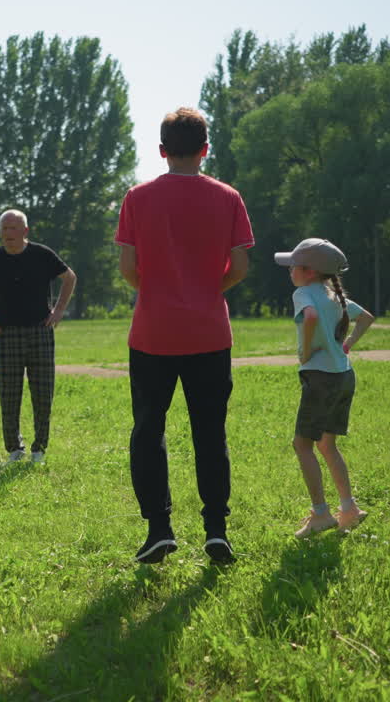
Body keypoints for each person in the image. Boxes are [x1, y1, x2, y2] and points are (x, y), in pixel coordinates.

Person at [115, 107, 254, 566]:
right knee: (210, 433)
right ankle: (216, 530)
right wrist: (207, 291)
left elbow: (128, 268)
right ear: (205, 149)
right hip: (209, 333)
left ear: (161, 151)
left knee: (148, 430)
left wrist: (157, 291)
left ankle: (159, 529)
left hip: (152, 333)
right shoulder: (228, 197)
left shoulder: (137, 198)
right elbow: (240, 266)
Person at [274, 238, 375, 538]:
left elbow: (311, 317)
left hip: (320, 377)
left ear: (309, 271)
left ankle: (321, 514)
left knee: (302, 444)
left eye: (293, 266)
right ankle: (349, 509)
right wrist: (347, 344)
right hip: (344, 375)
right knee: (328, 444)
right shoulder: (334, 295)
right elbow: (366, 318)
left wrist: (305, 351)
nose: (289, 270)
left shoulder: (303, 293)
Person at [0, 209, 77, 466]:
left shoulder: (42, 255)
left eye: (14, 228)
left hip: (40, 331)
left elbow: (69, 277)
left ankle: (39, 449)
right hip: (7, 334)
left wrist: (59, 310)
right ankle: (15, 449)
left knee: (43, 393)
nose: (9, 234)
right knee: (8, 395)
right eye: (4, 229)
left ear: (25, 231)